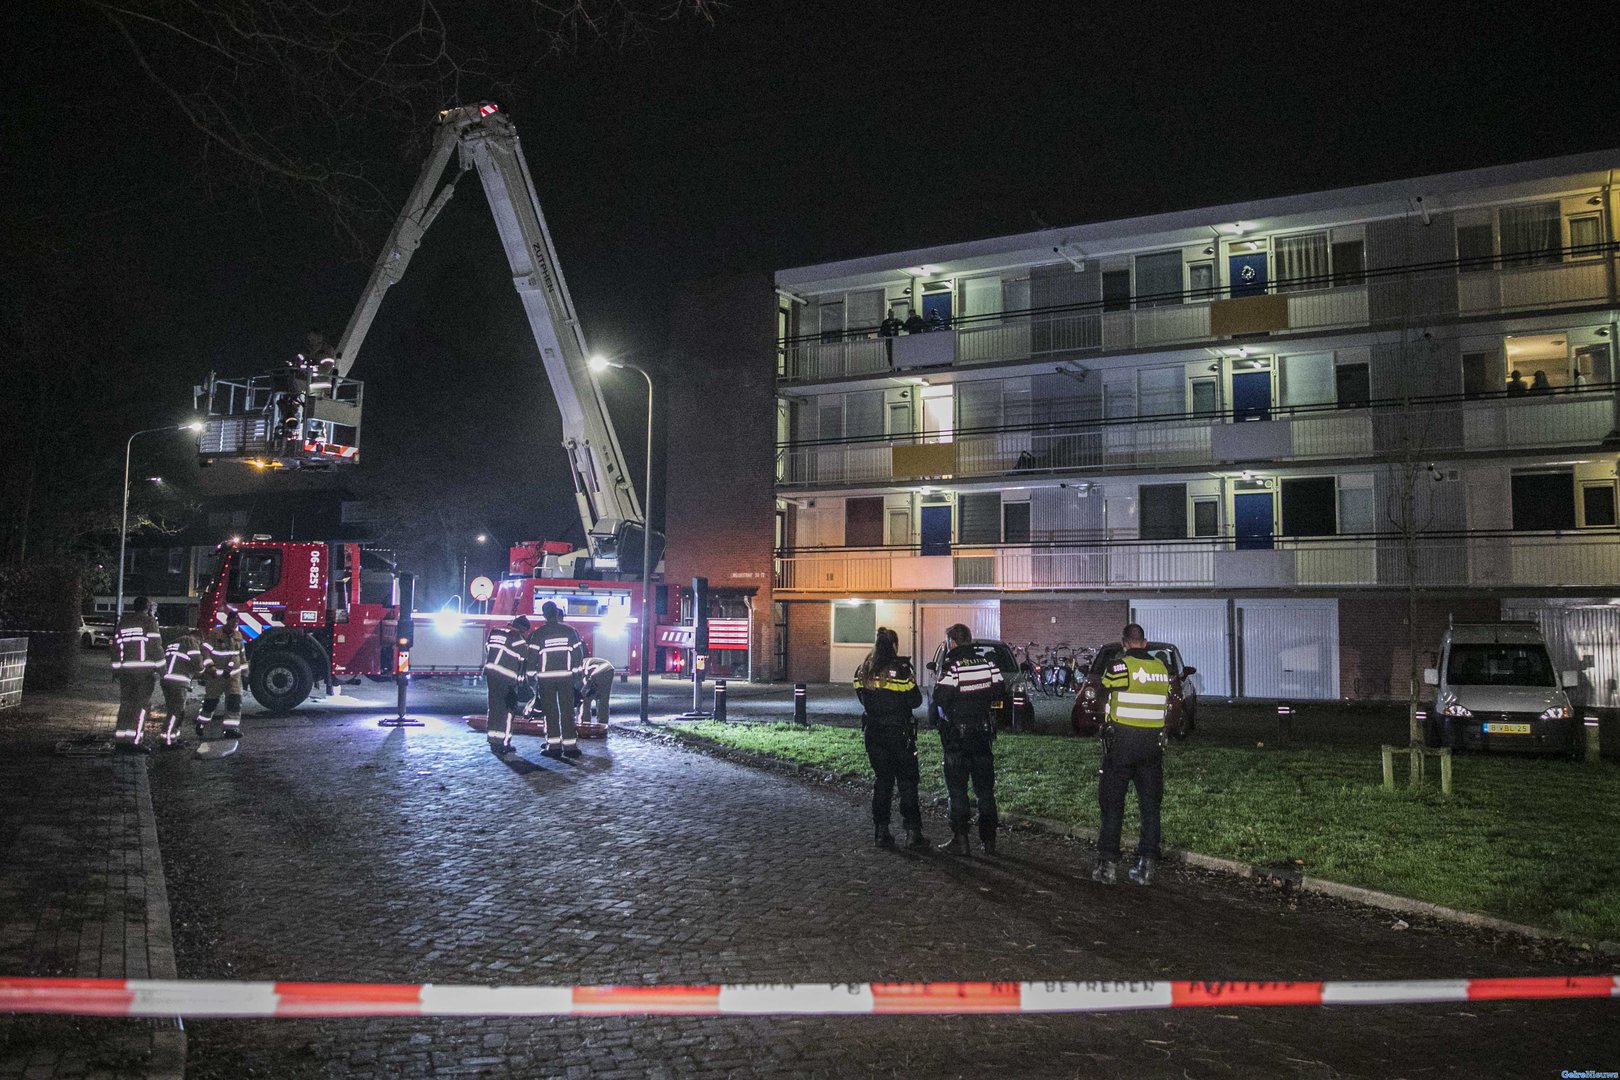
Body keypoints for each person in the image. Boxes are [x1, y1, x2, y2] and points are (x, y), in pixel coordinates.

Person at [1093, 623, 1172, 886]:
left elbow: (1103, 693)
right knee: (1150, 807)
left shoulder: (1119, 667)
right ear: (1145, 643)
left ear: (1124, 642)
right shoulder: (1161, 669)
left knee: (1112, 804)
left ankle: (1107, 866)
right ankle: (1147, 866)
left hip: (1123, 745)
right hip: (1152, 746)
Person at [930, 623, 1006, 855]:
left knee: (958, 790)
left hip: (958, 739)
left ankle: (961, 839)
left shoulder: (953, 667)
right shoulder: (988, 664)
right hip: (982, 736)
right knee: (985, 791)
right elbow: (1000, 690)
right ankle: (989, 840)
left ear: (952, 642)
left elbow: (939, 698)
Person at [853, 627, 927, 851]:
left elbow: (861, 697)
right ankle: (913, 833)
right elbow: (915, 701)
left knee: (882, 782)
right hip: (900, 734)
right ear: (894, 645)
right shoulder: (902, 670)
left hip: (874, 734)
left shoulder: (863, 669)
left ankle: (881, 832)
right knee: (907, 783)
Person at [528, 601, 585, 759]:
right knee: (567, 711)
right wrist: (576, 676)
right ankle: (570, 746)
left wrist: (532, 680)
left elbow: (531, 658)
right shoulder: (570, 631)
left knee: (551, 712)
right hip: (566, 678)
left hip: (545, 679)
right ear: (557, 613)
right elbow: (578, 655)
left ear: (544, 614)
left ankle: (553, 746)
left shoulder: (538, 634)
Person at [110, 596, 164, 754]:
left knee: (126, 705)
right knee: (140, 708)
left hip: (126, 672)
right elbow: (156, 648)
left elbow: (116, 648)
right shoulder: (149, 622)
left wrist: (116, 670)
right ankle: (134, 742)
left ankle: (121, 741)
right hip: (143, 674)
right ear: (147, 607)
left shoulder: (124, 622)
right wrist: (162, 672)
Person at [482, 614, 532, 754]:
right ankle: (504, 742)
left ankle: (493, 740)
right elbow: (525, 656)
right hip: (506, 677)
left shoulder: (495, 631)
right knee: (507, 711)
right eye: (524, 631)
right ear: (522, 628)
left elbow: (488, 648)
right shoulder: (516, 637)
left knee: (494, 707)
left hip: (490, 673)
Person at [199, 612, 248, 738]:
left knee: (234, 702)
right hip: (216, 676)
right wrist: (210, 667)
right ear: (227, 620)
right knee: (211, 701)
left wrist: (245, 674)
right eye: (233, 621)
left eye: (237, 622)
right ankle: (202, 723)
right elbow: (205, 651)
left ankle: (230, 729)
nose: (235, 624)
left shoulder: (238, 635)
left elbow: (242, 656)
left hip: (233, 676)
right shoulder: (216, 633)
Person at [157, 630, 204, 746]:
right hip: (178, 682)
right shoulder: (191, 642)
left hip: (165, 681)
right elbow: (198, 665)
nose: (199, 645)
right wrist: (203, 670)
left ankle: (172, 738)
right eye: (200, 642)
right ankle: (168, 740)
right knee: (177, 711)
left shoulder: (174, 643)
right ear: (197, 638)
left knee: (171, 710)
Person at [578, 655, 616, 728]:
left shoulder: (581, 666)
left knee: (584, 698)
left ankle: (584, 725)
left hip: (599, 672)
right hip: (609, 670)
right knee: (602, 699)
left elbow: (586, 681)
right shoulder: (586, 662)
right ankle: (603, 726)